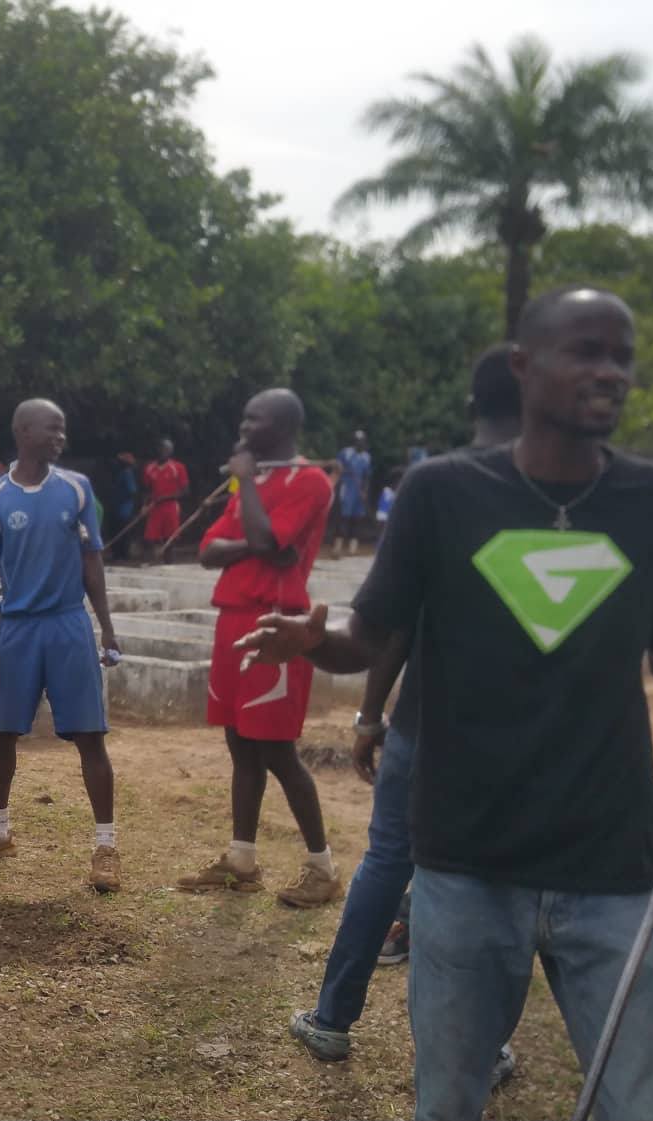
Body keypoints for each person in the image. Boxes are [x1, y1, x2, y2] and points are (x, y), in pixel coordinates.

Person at [233, 287, 653, 1121]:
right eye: (586, 351)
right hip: (466, 864)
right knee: (450, 1101)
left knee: (641, 1106)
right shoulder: (441, 493)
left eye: (623, 356)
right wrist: (313, 640)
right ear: (524, 366)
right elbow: (369, 633)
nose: (610, 372)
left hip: (611, 866)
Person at [288, 345, 523, 1084]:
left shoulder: (437, 488)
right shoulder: (563, 496)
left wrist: (368, 714)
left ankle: (332, 1017)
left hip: (426, 720)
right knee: (497, 881)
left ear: (468, 405)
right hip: (515, 735)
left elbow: (392, 622)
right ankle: (485, 1046)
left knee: (387, 860)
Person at [0, 399, 124, 893]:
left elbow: (93, 563)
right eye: (52, 428)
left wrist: (105, 628)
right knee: (1, 734)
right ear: (23, 431)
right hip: (17, 630)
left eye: (63, 430)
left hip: (69, 626)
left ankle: (106, 847)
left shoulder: (76, 488)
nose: (60, 437)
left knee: (91, 736)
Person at [177, 388, 340, 907]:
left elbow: (272, 543)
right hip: (232, 618)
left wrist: (247, 494)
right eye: (244, 417)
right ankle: (242, 859)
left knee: (276, 750)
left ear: (285, 425)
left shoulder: (309, 481)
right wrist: (256, 537)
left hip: (276, 626)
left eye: (255, 418)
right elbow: (209, 550)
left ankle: (322, 867)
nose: (244, 427)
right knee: (239, 744)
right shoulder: (257, 481)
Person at [142, 438, 189, 559]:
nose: (164, 451)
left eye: (167, 449)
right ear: (157, 449)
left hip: (171, 506)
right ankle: (155, 562)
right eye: (162, 448)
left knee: (170, 537)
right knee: (152, 537)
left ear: (171, 451)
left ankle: (168, 563)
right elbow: (147, 490)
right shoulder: (149, 468)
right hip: (155, 507)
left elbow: (185, 491)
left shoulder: (178, 467)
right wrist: (144, 505)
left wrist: (164, 497)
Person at [334, 430, 372, 556]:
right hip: (347, 488)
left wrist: (365, 490)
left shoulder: (367, 457)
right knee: (343, 517)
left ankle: (352, 549)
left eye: (362, 441)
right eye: (357, 441)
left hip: (358, 490)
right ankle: (337, 548)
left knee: (357, 519)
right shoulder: (345, 453)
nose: (359, 443)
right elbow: (337, 469)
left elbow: (367, 476)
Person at [109, 452, 140, 559]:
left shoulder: (127, 473)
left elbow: (132, 491)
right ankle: (119, 554)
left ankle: (122, 555)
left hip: (124, 509)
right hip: (119, 508)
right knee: (119, 532)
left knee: (122, 532)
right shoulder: (123, 473)